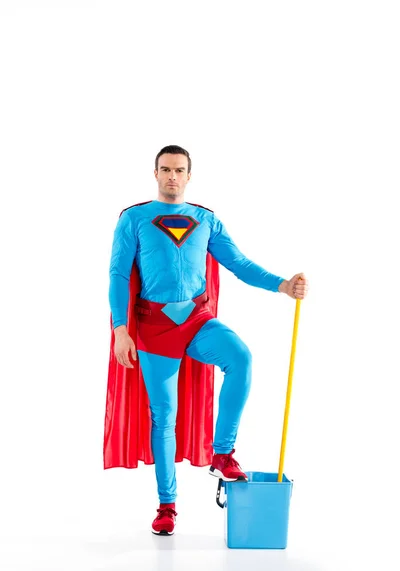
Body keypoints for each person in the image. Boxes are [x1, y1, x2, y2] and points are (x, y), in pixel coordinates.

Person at [106, 144, 309, 536]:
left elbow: (239, 263)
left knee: (241, 357)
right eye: (165, 169)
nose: (171, 176)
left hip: (197, 319)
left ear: (188, 175)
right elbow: (117, 275)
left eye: (179, 170)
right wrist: (120, 328)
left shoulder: (206, 220)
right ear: (155, 173)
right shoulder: (134, 218)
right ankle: (167, 507)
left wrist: (282, 285)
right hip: (153, 328)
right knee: (164, 417)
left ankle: (222, 453)